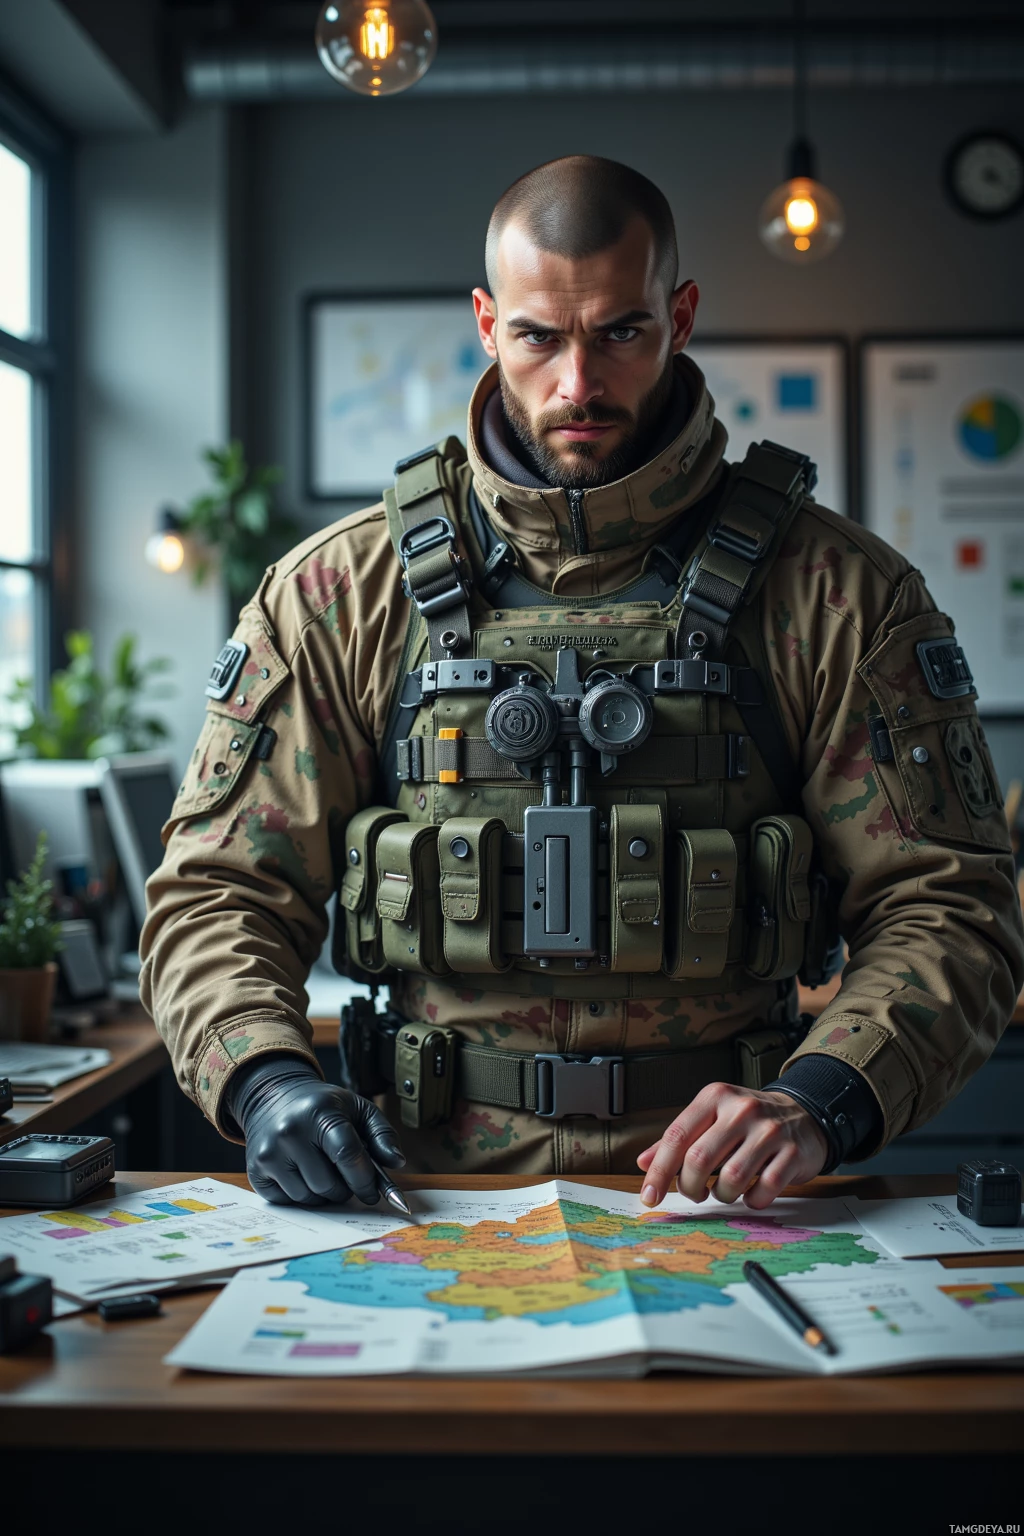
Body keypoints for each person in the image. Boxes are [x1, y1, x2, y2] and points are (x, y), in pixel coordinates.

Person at [141, 155, 1024, 1215]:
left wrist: (822, 1100)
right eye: (536, 336)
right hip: (423, 1196)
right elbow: (220, 890)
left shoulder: (834, 593)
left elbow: (948, 904)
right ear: (483, 321)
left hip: (733, 1200)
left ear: (680, 315)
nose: (577, 385)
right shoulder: (339, 593)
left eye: (619, 333)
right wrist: (268, 1080)